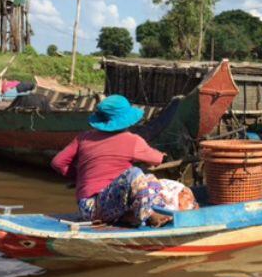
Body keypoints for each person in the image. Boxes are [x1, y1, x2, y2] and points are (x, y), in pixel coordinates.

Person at [51, 95, 176, 227]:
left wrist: (78, 177)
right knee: (136, 173)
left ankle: (129, 215)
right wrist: (162, 155)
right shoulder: (132, 141)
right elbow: (157, 159)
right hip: (98, 208)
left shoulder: (83, 138)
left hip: (86, 207)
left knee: (149, 179)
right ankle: (148, 215)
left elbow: (58, 162)